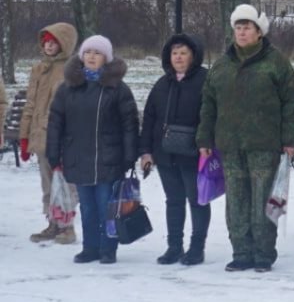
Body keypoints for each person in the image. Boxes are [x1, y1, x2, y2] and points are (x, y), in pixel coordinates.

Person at [197, 4, 294, 272]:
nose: (242, 32)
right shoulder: (221, 65)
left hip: (265, 145)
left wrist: (290, 138)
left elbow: (291, 101)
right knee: (236, 202)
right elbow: (208, 105)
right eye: (238, 27)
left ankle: (264, 253)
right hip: (230, 146)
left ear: (259, 32)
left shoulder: (276, 62)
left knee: (262, 201)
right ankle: (241, 252)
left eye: (248, 28)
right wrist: (204, 139)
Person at [45, 35, 139, 264]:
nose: (91, 57)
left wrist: (129, 154)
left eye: (97, 53)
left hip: (109, 157)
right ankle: (90, 247)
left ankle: (108, 248)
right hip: (78, 156)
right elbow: (56, 121)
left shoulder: (117, 88)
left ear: (105, 58)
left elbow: (129, 124)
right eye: (88, 52)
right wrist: (53, 152)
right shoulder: (68, 88)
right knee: (87, 207)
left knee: (107, 205)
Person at [139, 34, 210, 265]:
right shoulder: (163, 83)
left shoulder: (205, 80)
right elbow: (149, 118)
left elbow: (212, 115)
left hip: (194, 153)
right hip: (166, 154)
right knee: (174, 201)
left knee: (197, 201)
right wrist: (146, 151)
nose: (178, 57)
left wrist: (206, 142)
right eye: (174, 53)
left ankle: (197, 247)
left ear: (193, 55)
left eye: (183, 53)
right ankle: (174, 246)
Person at [23, 22, 79, 245]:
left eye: (53, 42)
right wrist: (24, 135)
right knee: (47, 182)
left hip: (60, 136)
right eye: (45, 42)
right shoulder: (38, 69)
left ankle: (67, 225)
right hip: (39, 134)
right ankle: (53, 222)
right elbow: (31, 103)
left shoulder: (71, 70)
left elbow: (72, 108)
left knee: (64, 182)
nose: (48, 46)